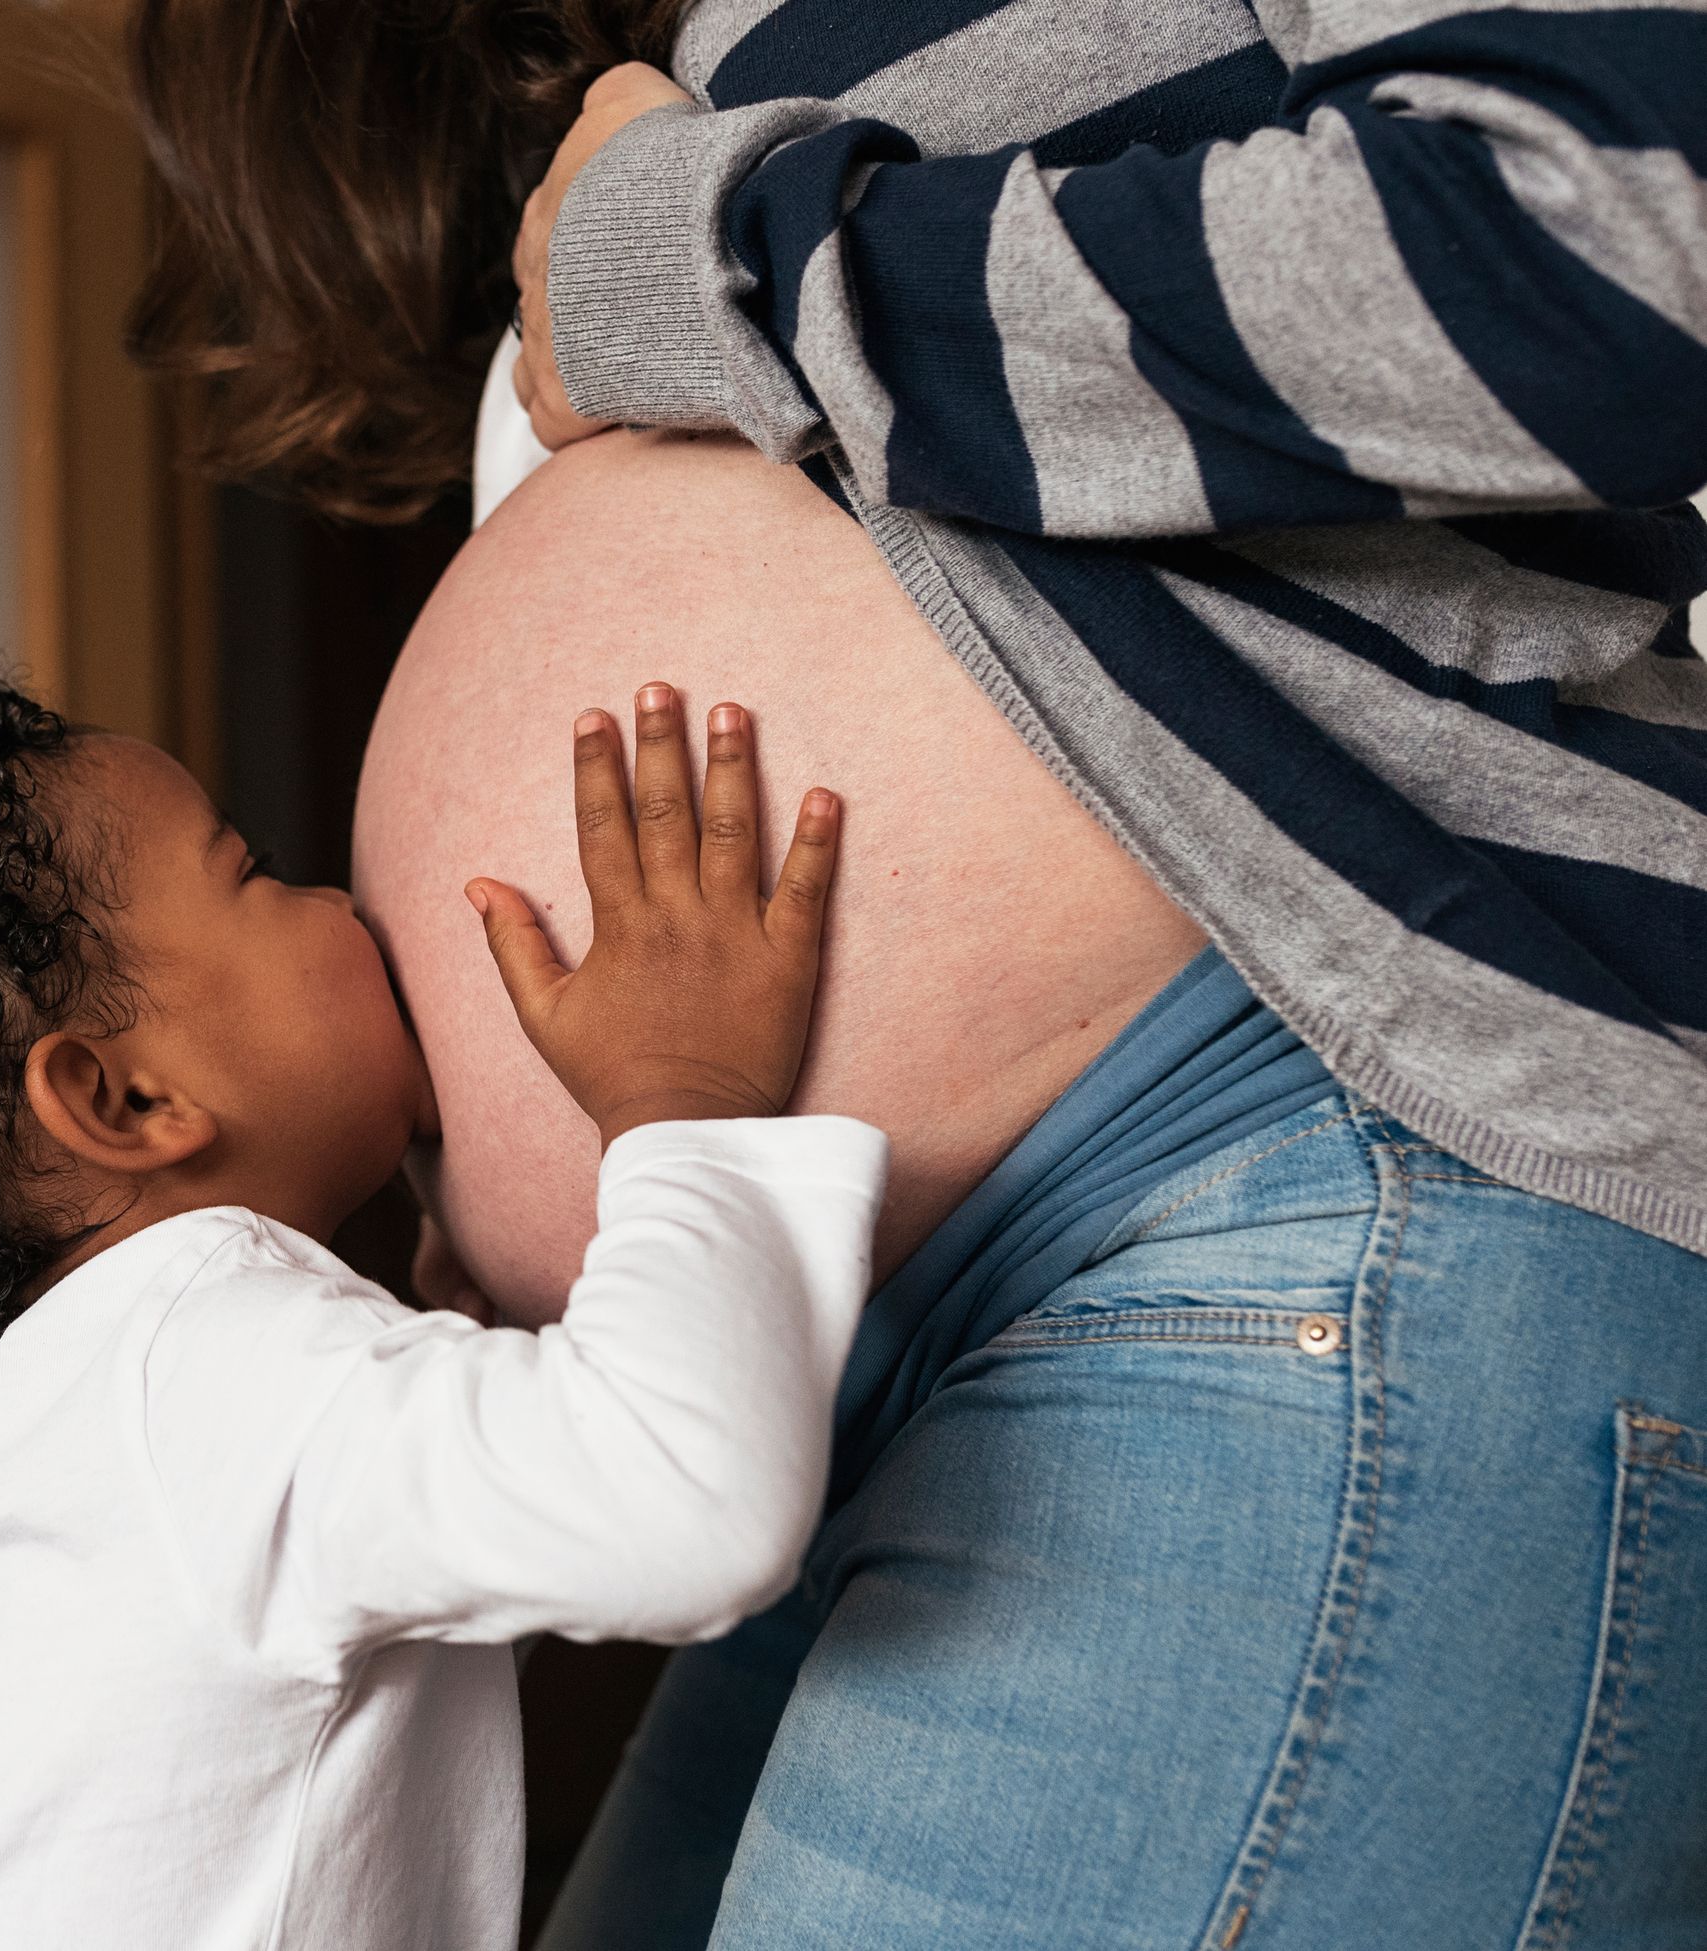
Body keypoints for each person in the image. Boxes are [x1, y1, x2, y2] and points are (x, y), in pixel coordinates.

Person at [129, 0, 1707, 1944]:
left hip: (1296, 1161)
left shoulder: (674, 189)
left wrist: (720, 257)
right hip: (843, 1359)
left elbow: (1619, 226)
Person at [0, 673, 889, 1949]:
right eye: (251, 876)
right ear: (126, 1103)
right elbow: (686, 1506)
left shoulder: (91, 1421)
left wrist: (470, 1375)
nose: (339, 900)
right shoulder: (194, 1361)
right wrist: (684, 1094)